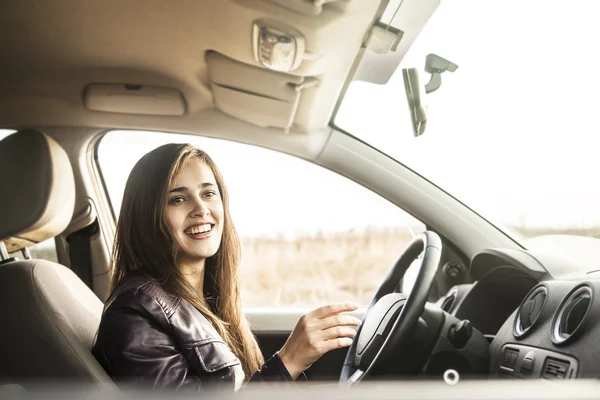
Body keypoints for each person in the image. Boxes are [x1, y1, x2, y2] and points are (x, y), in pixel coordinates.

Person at [92, 143, 361, 391]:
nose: (201, 208)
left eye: (208, 193)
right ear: (146, 215)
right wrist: (288, 361)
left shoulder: (207, 298)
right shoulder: (136, 312)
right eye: (178, 199)